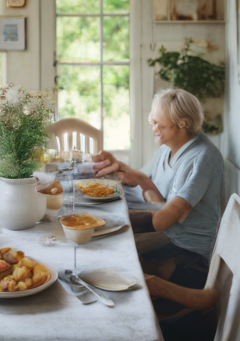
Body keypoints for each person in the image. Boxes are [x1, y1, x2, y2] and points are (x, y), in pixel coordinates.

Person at [92, 88, 224, 282]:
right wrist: (138, 178)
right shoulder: (167, 148)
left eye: (159, 125)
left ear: (183, 124)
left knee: (112, 247)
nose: (154, 129)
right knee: (105, 240)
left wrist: (113, 218)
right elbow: (158, 200)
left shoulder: (202, 157)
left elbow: (163, 220)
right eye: (152, 123)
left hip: (187, 246)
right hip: (169, 233)